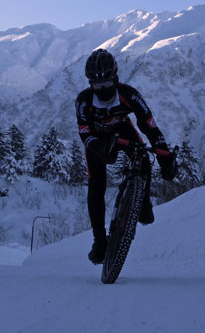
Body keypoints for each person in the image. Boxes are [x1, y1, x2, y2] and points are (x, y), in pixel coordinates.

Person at [75, 49, 176, 265]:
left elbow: (149, 124)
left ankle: (143, 201)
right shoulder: (84, 101)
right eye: (97, 86)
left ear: (116, 78)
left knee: (143, 157)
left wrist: (165, 154)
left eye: (107, 84)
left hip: (123, 131)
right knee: (96, 186)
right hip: (96, 138)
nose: (103, 90)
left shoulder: (129, 95)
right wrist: (99, 148)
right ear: (90, 83)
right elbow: (84, 131)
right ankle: (99, 239)